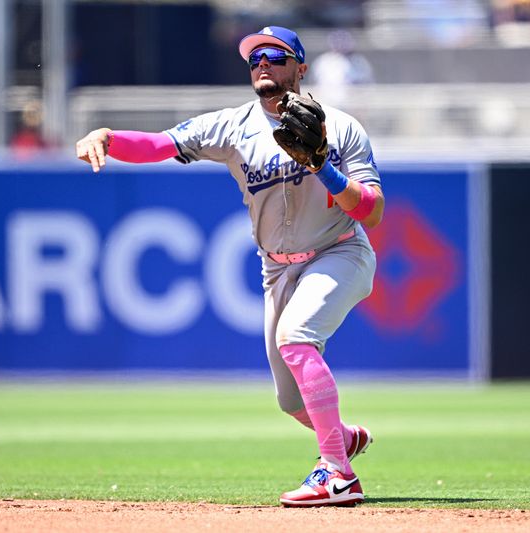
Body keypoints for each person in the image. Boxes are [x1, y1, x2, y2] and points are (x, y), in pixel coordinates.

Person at [75, 26, 385, 508]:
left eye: (276, 57)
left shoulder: (340, 128)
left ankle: (338, 475)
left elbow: (373, 210)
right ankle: (342, 438)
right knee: (291, 401)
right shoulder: (232, 126)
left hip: (339, 250)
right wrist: (109, 138)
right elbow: (160, 144)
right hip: (277, 269)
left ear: (300, 68)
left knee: (297, 338)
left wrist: (323, 166)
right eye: (254, 57)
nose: (263, 63)